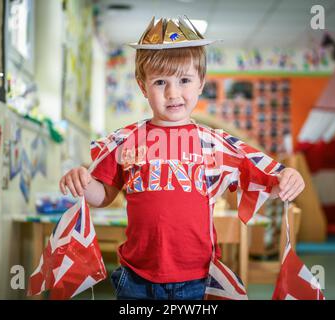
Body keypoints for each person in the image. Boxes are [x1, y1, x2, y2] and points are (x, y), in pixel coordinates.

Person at [59, 16, 305, 300]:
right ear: (143, 86)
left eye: (184, 80)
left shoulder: (217, 144)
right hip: (135, 277)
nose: (173, 93)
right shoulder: (124, 140)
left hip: (199, 277)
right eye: (160, 81)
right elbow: (102, 195)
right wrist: (82, 180)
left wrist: (290, 176)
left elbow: (271, 179)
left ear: (201, 82)